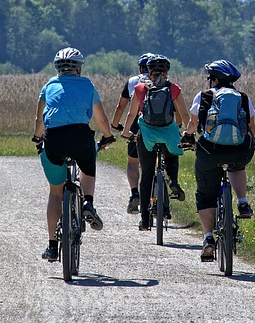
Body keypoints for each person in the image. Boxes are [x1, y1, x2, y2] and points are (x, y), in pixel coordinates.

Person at [33, 47, 116, 261]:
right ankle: (88, 202)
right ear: (79, 69)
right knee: (88, 162)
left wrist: (37, 137)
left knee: (55, 192)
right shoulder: (87, 85)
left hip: (54, 140)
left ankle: (52, 246)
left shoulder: (48, 86)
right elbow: (102, 120)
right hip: (80, 137)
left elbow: (39, 122)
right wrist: (107, 136)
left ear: (57, 69)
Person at [180, 59, 255, 260]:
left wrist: (187, 136)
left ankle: (208, 239)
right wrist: (250, 142)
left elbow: (193, 122)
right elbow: (251, 127)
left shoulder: (204, 96)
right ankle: (242, 202)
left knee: (205, 194)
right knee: (237, 167)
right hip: (239, 151)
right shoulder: (242, 97)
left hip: (209, 152)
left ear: (214, 79)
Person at [122, 55, 189, 231]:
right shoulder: (174, 89)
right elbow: (184, 115)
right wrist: (186, 132)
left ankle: (144, 220)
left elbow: (131, 115)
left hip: (147, 136)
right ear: (167, 72)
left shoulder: (140, 88)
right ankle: (172, 180)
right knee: (173, 154)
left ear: (148, 72)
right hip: (168, 133)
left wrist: (126, 131)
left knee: (146, 176)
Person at [110, 53, 152, 214]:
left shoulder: (133, 81)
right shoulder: (164, 82)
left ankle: (135, 193)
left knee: (133, 162)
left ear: (140, 67)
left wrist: (115, 124)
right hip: (160, 126)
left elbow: (121, 106)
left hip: (137, 125)